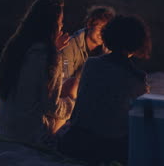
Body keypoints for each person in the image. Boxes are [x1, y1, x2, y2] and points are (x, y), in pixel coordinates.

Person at [58, 15, 151, 164]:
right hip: (106, 147)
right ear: (138, 42)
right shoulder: (137, 79)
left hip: (75, 142)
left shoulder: (91, 64)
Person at [0, 0, 78, 144]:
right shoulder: (48, 57)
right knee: (73, 86)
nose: (61, 26)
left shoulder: (15, 47)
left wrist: (55, 48)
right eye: (60, 22)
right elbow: (51, 107)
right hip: (29, 134)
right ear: (52, 25)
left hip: (4, 127)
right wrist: (74, 105)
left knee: (67, 84)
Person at [61, 6, 115, 81]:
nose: (103, 33)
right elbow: (65, 81)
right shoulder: (69, 46)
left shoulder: (108, 50)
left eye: (106, 30)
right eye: (100, 28)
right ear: (89, 24)